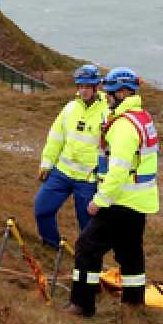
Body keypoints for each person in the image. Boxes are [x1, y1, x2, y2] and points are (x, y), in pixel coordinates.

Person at [66, 67, 159, 317]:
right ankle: (133, 304)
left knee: (86, 247)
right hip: (139, 199)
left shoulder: (124, 126)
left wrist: (99, 200)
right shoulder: (142, 118)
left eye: (109, 92)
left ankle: (82, 304)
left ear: (123, 93)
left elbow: (118, 170)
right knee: (130, 253)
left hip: (120, 199)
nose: (105, 96)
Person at [34, 64, 106, 249]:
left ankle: (86, 258)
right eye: (80, 86)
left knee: (88, 225)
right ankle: (52, 245)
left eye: (87, 86)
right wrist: (46, 164)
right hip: (62, 173)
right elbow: (55, 138)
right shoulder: (70, 108)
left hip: (89, 180)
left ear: (96, 86)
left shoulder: (108, 112)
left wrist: (104, 178)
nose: (83, 90)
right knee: (42, 209)